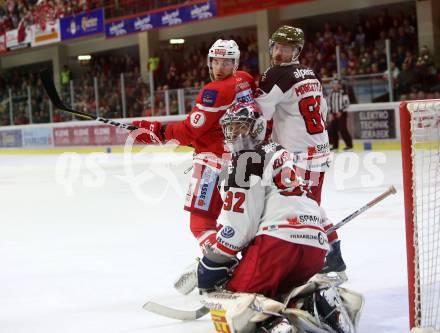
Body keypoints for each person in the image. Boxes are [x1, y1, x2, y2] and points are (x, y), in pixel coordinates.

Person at [196, 103, 358, 333]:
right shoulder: (281, 155)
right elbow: (310, 203)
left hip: (278, 247)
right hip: (314, 249)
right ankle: (315, 303)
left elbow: (241, 223)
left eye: (242, 128)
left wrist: (214, 261)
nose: (235, 135)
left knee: (237, 297)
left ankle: (274, 325)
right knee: (282, 293)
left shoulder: (245, 159)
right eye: (231, 129)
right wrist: (332, 242)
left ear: (258, 129)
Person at [132, 39, 256, 294]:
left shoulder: (214, 90)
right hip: (246, 156)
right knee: (244, 219)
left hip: (214, 160)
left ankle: (221, 264)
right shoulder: (245, 79)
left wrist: (156, 131)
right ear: (210, 62)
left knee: (201, 223)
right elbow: (215, 124)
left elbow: (189, 131)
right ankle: (235, 257)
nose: (220, 67)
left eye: (227, 62)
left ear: (235, 62)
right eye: (216, 61)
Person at [254, 25, 346, 278]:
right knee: (308, 202)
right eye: (277, 47)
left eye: (286, 49)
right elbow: (323, 111)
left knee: (301, 204)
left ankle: (326, 253)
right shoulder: (310, 73)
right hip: (317, 149)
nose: (278, 53)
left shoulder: (275, 75)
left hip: (297, 155)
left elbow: (260, 115)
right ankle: (332, 251)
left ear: (296, 51)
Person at [327, 79, 353, 151]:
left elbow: (347, 104)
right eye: (334, 84)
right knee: (332, 130)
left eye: (336, 84)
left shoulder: (343, 93)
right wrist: (331, 113)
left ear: (339, 85)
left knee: (343, 129)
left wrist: (341, 111)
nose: (335, 85)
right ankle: (335, 146)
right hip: (333, 114)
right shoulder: (331, 94)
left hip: (342, 114)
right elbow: (329, 104)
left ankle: (349, 145)